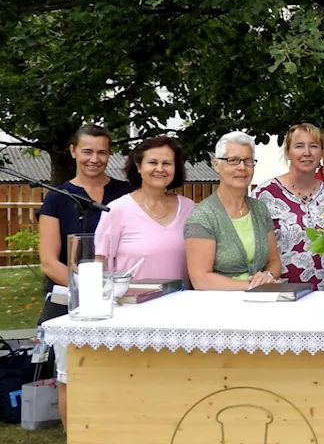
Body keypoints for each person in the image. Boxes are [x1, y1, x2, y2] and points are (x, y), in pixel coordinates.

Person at [37, 124, 133, 425]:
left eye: (102, 152)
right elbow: (49, 262)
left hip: (119, 299)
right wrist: (90, 293)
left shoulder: (124, 192)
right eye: (87, 151)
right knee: (72, 376)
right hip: (73, 299)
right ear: (73, 151)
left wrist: (113, 291)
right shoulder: (57, 197)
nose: (95, 159)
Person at [185, 132, 283, 291]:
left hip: (263, 301)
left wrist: (269, 276)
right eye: (233, 160)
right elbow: (201, 280)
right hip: (222, 306)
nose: (242, 167)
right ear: (216, 164)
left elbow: (274, 262)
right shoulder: (202, 216)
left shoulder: (259, 209)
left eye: (248, 161)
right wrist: (255, 286)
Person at [252, 123, 324, 291]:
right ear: (288, 152)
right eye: (299, 146)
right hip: (277, 295)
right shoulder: (265, 194)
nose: (307, 153)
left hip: (318, 297)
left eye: (314, 146)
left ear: (321, 152)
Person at [95, 136, 194, 284]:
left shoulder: (190, 208)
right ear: (139, 166)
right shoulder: (116, 210)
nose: (160, 169)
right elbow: (100, 266)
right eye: (152, 162)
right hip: (131, 304)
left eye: (166, 163)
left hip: (179, 303)